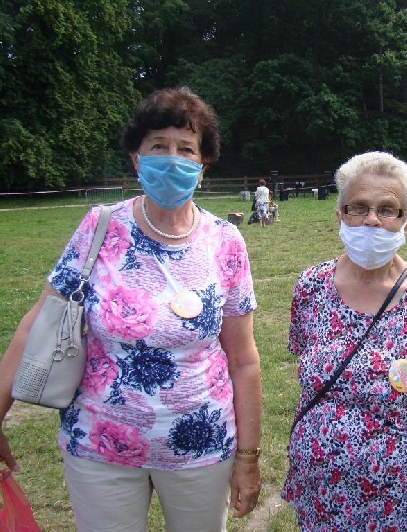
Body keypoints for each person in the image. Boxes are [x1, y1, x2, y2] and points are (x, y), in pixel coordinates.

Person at [0, 87, 263, 532]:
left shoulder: (226, 241)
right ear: (137, 159)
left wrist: (249, 457)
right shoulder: (100, 226)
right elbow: (37, 323)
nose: (172, 159)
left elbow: (243, 360)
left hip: (201, 447)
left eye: (186, 149)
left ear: (203, 166)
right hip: (100, 446)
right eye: (158, 146)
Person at [282, 151, 407, 531]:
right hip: (321, 492)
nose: (372, 220)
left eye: (387, 209)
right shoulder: (310, 286)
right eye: (359, 207)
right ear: (340, 215)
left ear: (406, 221)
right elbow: (307, 370)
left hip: (402, 495)